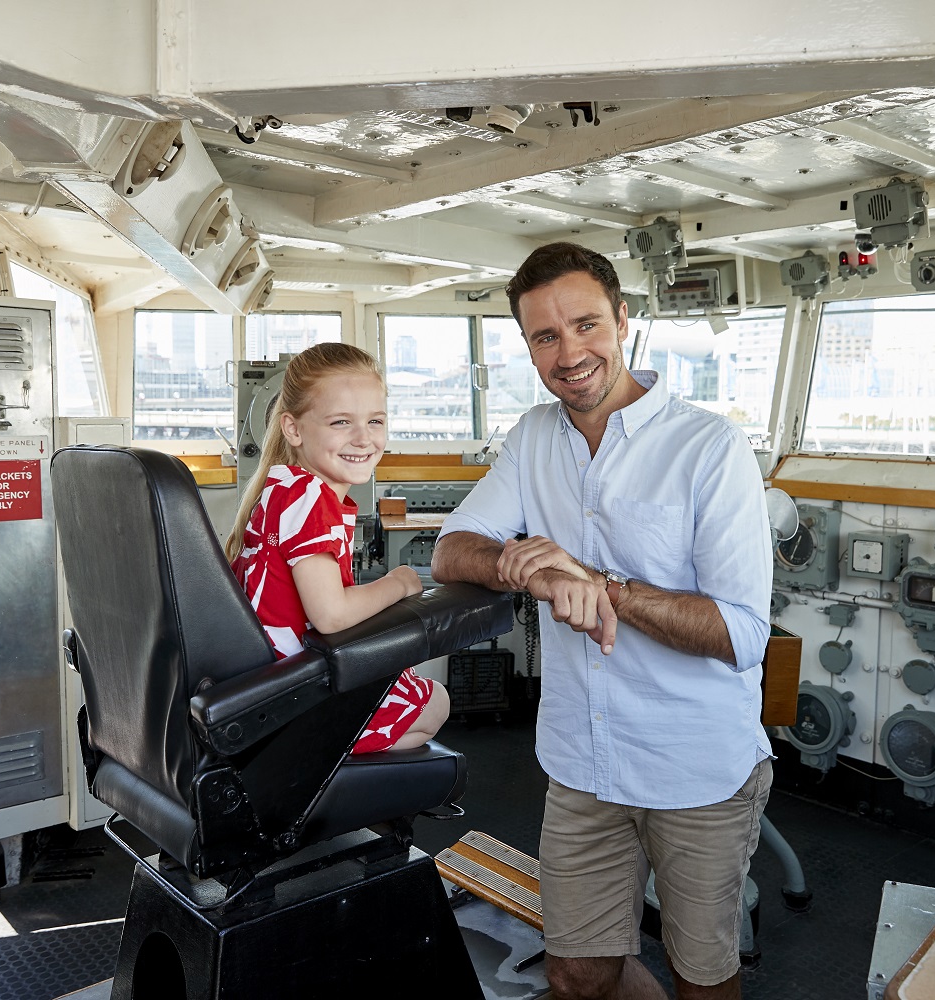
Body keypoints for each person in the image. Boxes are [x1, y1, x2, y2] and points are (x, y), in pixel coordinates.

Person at [432, 243, 775, 1000]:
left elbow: (741, 634)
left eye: (586, 324)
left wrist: (603, 587)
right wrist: (523, 564)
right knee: (576, 973)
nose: (569, 353)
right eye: (545, 337)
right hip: (582, 765)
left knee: (702, 978)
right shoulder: (531, 440)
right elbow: (452, 549)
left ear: (624, 320)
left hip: (697, 771)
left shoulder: (708, 448)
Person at [223, 342, 449, 753]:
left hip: (264, 683)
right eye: (341, 422)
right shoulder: (311, 496)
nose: (364, 439)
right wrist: (401, 582)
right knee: (435, 702)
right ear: (293, 429)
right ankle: (303, 774)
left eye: (375, 421)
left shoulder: (282, 488)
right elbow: (331, 615)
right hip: (294, 697)